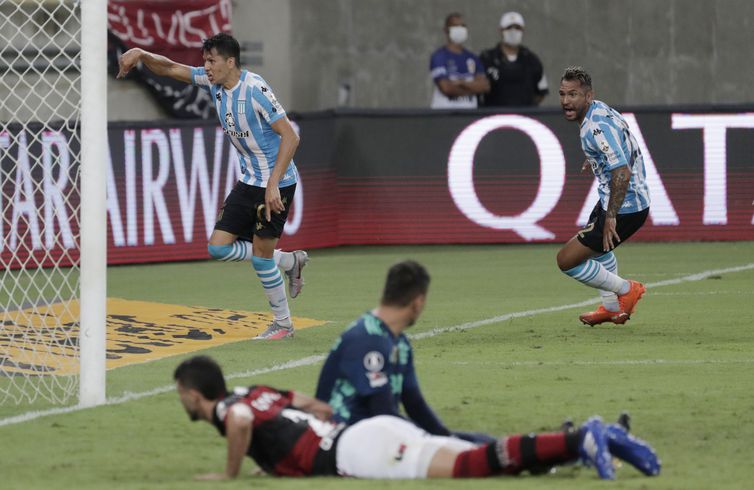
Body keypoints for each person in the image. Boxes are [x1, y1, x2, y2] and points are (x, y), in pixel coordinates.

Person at [174, 355, 661, 480]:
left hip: (362, 451)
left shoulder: (229, 408)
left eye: (181, 395)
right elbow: (310, 406)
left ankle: (583, 439)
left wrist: (230, 471)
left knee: (473, 466)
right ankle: (581, 443)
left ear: (193, 394)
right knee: (478, 460)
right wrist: (277, 456)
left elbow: (237, 422)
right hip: (358, 434)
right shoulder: (254, 392)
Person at [117, 33, 307, 340]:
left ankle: (283, 325)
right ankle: (288, 260)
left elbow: (291, 136)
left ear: (230, 62)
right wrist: (140, 53)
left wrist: (273, 184)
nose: (205, 67)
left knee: (260, 257)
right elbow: (170, 69)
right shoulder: (214, 84)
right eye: (205, 61)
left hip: (277, 183)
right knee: (218, 247)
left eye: (211, 61)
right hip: (248, 181)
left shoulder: (255, 89)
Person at [314, 260, 494, 443]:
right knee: (466, 451)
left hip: (375, 435)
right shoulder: (369, 339)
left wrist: (448, 438)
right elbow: (383, 414)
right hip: (344, 442)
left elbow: (414, 404)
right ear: (418, 302)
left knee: (482, 443)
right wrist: (434, 442)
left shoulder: (400, 343)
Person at [556, 66, 651, 326]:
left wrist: (611, 216)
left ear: (588, 96)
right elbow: (621, 137)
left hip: (624, 206)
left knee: (566, 260)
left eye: (573, 94)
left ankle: (626, 289)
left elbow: (622, 170)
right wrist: (595, 156)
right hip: (621, 199)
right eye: (563, 94)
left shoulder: (594, 128)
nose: (566, 101)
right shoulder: (599, 109)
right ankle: (611, 308)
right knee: (599, 252)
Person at [479, 11, 548, 107]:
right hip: (495, 118)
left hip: (523, 118)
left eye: (517, 28)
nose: (513, 31)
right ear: (501, 31)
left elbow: (541, 91)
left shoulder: (532, 60)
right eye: (509, 28)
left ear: (523, 31)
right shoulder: (487, 59)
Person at [429, 13, 489, 109]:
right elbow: (446, 88)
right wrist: (473, 87)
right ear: (446, 30)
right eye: (455, 26)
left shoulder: (472, 58)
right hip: (444, 114)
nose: (460, 29)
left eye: (463, 26)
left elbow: (484, 86)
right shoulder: (439, 56)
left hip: (469, 115)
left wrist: (462, 83)